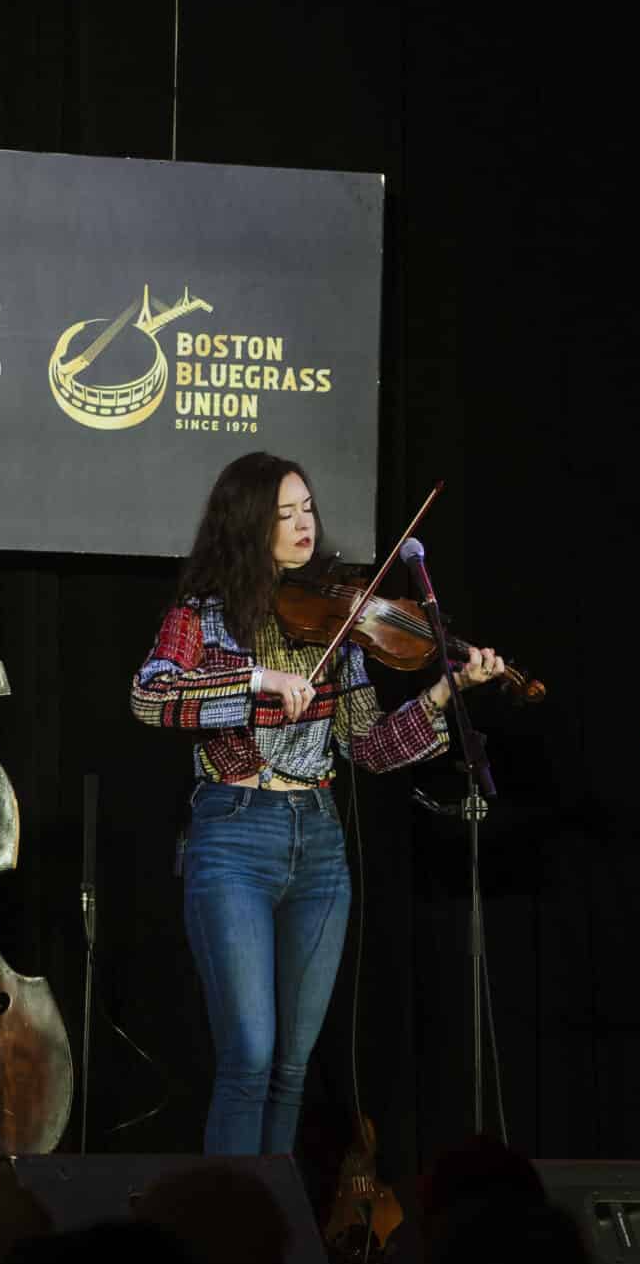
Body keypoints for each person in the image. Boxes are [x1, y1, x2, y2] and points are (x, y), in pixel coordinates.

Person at [130, 451, 499, 1155]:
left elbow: (367, 744)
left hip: (320, 841)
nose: (305, 525)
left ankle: (274, 1217)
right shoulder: (199, 617)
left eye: (308, 509)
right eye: (284, 514)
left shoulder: (340, 617)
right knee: (250, 1055)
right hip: (234, 834)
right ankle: (231, 1215)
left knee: (292, 1070)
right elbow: (149, 696)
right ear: (248, 524)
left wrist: (441, 695)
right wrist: (255, 681)